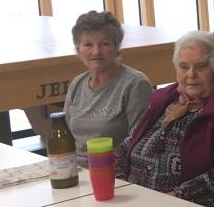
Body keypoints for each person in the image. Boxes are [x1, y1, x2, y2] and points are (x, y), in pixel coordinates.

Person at [114, 31, 214, 207]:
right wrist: (121, 183)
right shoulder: (164, 99)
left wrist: (170, 200)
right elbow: (127, 145)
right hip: (135, 202)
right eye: (183, 66)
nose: (191, 74)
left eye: (201, 66)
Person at [64, 11, 152, 167]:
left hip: (114, 172)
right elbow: (66, 137)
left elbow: (141, 143)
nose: (96, 51)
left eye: (104, 44)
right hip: (76, 171)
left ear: (117, 47)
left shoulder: (135, 84)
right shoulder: (77, 84)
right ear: (78, 49)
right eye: (88, 44)